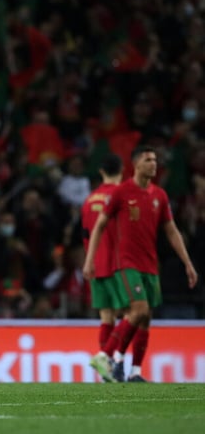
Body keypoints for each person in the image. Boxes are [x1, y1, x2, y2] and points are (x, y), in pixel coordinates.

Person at [84, 146, 198, 383]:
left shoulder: (160, 195)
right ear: (136, 164)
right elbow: (99, 226)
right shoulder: (121, 192)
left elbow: (171, 230)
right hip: (127, 263)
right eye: (148, 160)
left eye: (155, 160)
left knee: (146, 318)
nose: (154, 164)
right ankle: (105, 355)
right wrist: (89, 260)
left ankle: (134, 371)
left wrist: (187, 262)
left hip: (150, 264)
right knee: (138, 310)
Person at [80, 153, 127, 382]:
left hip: (95, 264)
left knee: (106, 317)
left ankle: (107, 367)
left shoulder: (89, 200)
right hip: (119, 264)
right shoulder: (121, 196)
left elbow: (86, 235)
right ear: (122, 170)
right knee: (134, 314)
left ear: (101, 172)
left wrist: (89, 261)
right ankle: (107, 357)